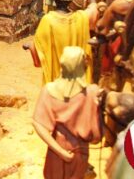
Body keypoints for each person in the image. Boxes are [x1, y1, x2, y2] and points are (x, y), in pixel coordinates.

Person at [32, 46, 103, 179]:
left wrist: (60, 151)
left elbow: (38, 124)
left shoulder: (48, 90)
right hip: (79, 153)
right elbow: (96, 138)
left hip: (56, 152)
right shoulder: (92, 92)